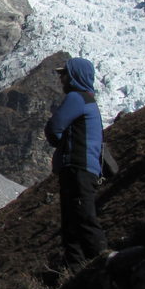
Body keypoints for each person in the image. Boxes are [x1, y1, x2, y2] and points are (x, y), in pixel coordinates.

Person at [45, 57, 108, 267]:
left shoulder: (76, 98)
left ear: (74, 76)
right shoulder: (89, 100)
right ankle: (82, 273)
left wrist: (60, 144)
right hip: (86, 169)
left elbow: (54, 127)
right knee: (77, 221)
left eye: (65, 74)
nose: (61, 78)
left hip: (77, 168)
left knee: (81, 220)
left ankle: (102, 265)